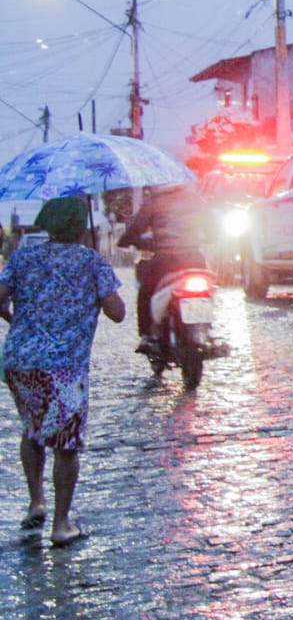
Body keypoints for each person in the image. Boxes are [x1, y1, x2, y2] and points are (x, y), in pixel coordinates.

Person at [0, 195, 125, 547]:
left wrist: (15, 320)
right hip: (65, 367)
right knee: (66, 444)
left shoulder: (23, 257)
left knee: (33, 428)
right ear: (81, 228)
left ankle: (36, 502)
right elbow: (117, 313)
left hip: (21, 362)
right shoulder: (91, 261)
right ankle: (61, 523)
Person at [116, 185, 208, 355]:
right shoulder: (197, 200)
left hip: (165, 261)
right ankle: (207, 330)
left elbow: (134, 232)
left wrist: (129, 241)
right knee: (207, 291)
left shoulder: (154, 203)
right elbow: (214, 229)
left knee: (146, 291)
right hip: (195, 260)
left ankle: (146, 335)